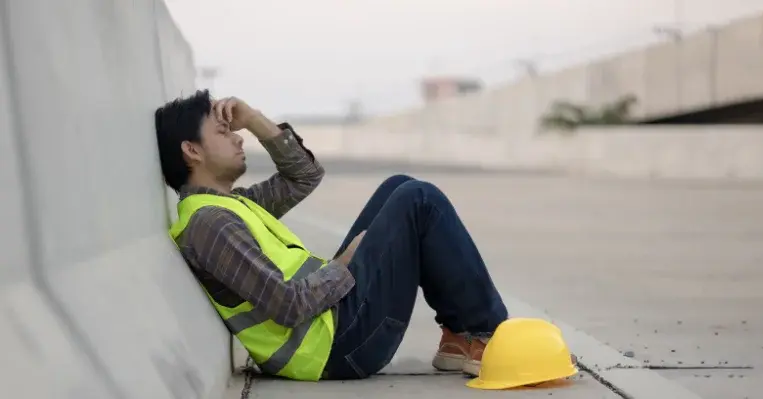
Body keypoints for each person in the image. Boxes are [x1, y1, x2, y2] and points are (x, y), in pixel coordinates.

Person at [155, 90, 512, 381]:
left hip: (333, 326)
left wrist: (253, 119)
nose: (237, 137)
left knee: (398, 186)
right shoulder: (210, 224)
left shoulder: (231, 205)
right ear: (192, 150)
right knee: (419, 199)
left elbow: (304, 176)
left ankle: (458, 337)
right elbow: (288, 305)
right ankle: (490, 337)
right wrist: (344, 263)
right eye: (223, 133)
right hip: (334, 347)